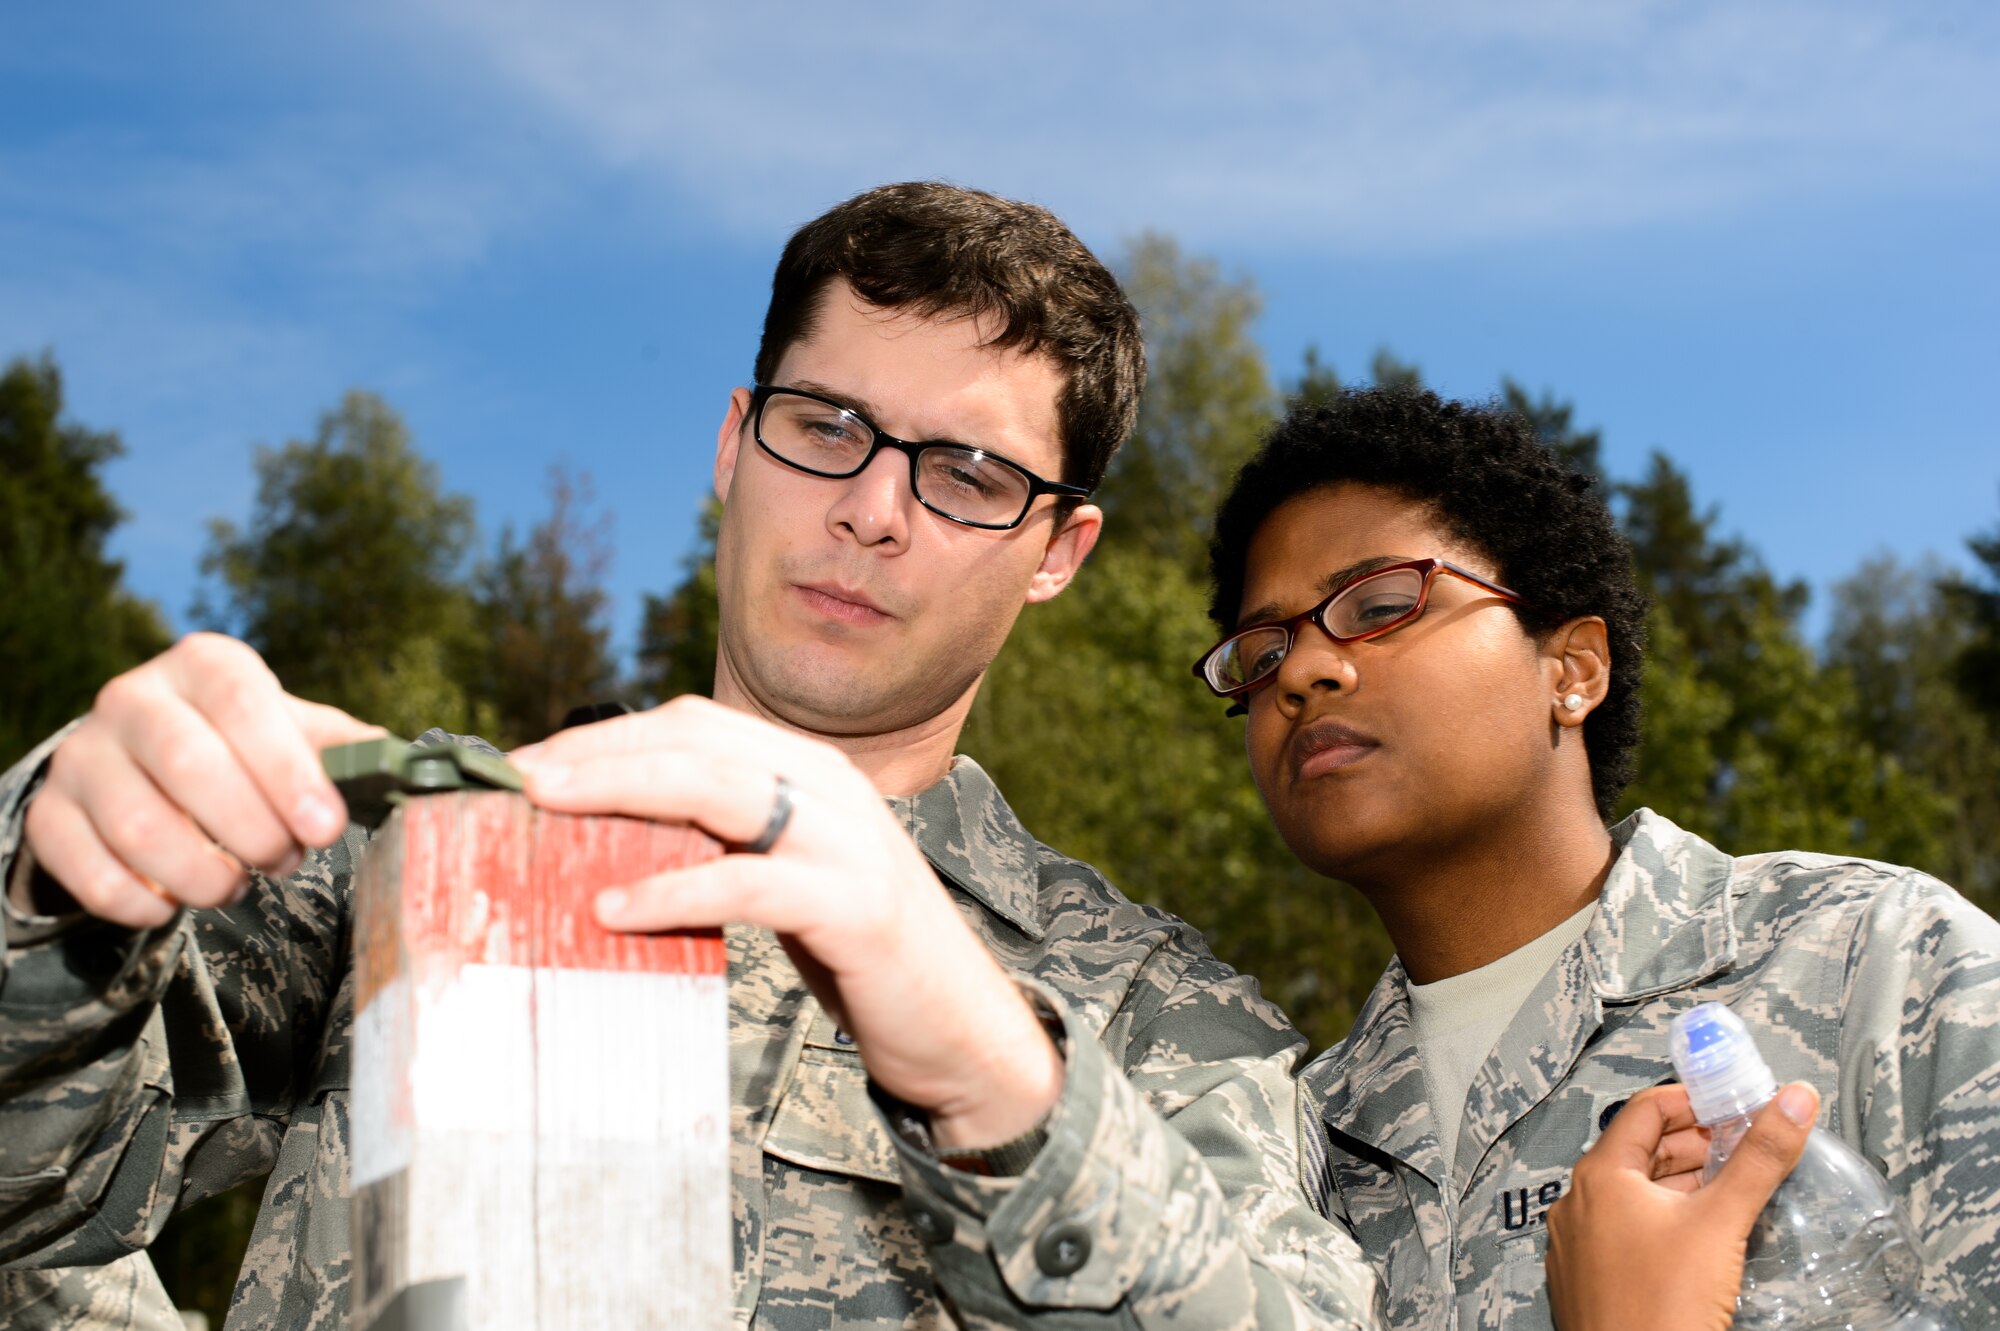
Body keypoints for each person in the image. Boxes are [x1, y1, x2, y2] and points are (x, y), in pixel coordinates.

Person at [0, 183, 1384, 1330]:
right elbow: (31, 1218)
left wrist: (994, 1074)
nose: (872, 510)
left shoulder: (1165, 1021)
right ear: (738, 441)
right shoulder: (410, 843)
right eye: (827, 427)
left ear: (1058, 551)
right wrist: (54, 871)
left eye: (967, 473)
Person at [1190, 385, 2000, 1329]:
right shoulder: (1284, 1144)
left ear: (1572, 671)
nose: (1302, 670)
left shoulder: (1881, 964)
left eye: (1380, 604)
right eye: (1261, 648)